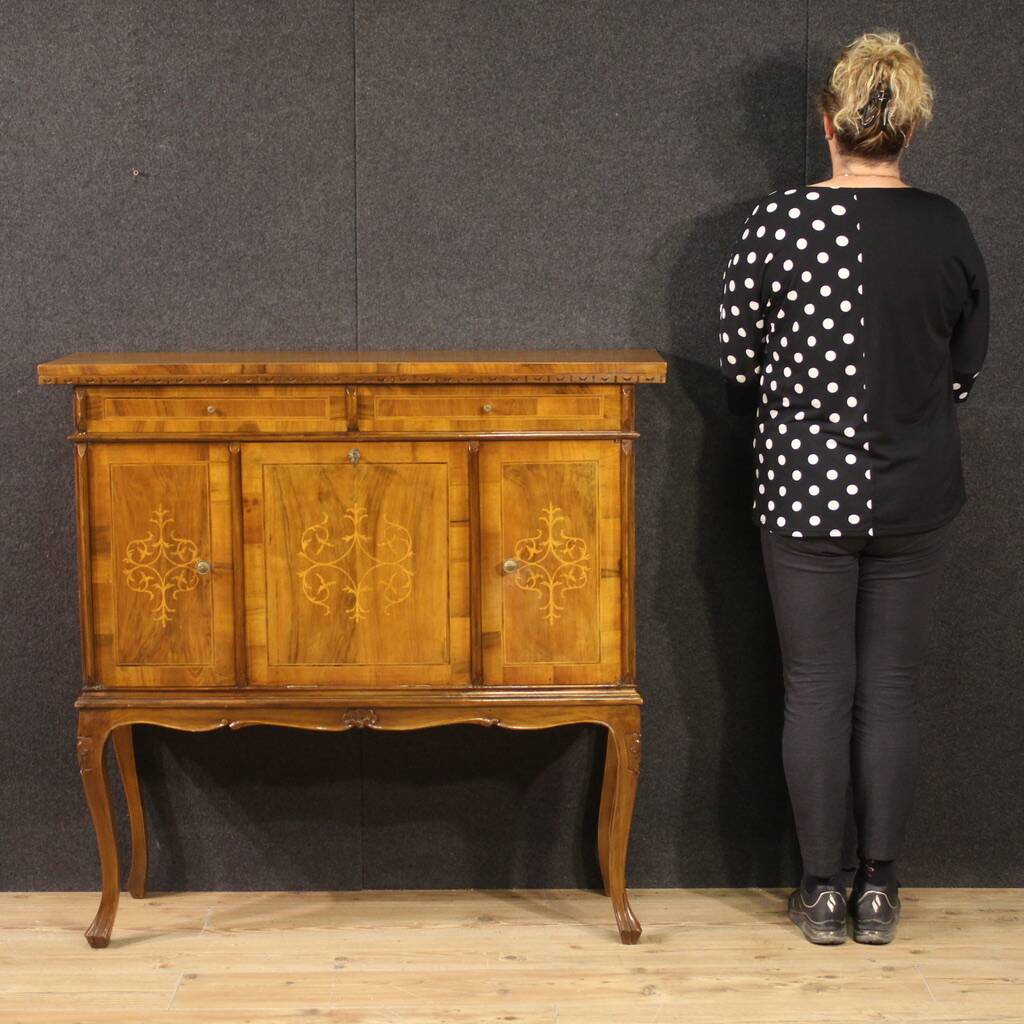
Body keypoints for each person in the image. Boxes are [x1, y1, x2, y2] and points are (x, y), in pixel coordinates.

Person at [717, 30, 990, 945]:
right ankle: (881, 888)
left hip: (802, 494)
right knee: (893, 690)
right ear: (908, 129)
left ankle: (822, 890)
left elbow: (739, 361)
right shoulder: (947, 227)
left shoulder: (775, 228)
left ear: (828, 121)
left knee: (816, 688)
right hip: (914, 491)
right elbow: (964, 371)